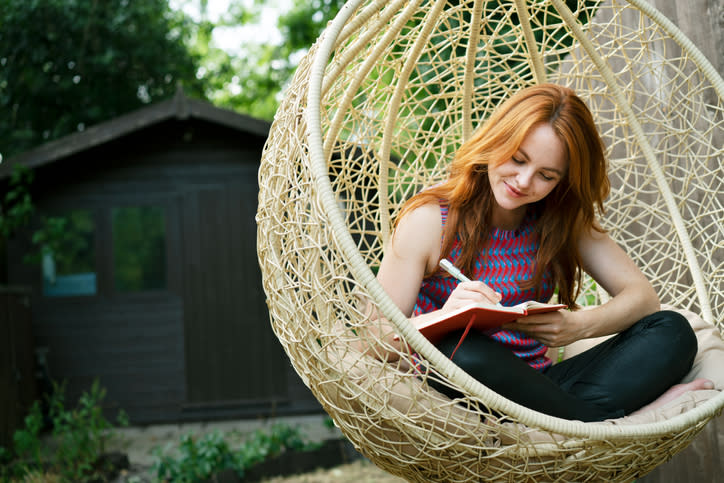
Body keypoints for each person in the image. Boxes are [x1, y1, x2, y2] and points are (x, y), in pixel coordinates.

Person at [369, 83, 713, 422]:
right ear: (496, 139)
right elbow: (373, 340)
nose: (523, 181)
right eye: (517, 159)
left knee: (672, 330)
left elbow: (643, 298)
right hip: (461, 385)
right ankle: (612, 421)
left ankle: (577, 420)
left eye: (546, 176)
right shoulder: (431, 219)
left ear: (561, 181)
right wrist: (447, 317)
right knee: (458, 349)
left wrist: (578, 325)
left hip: (543, 390)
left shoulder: (558, 219)